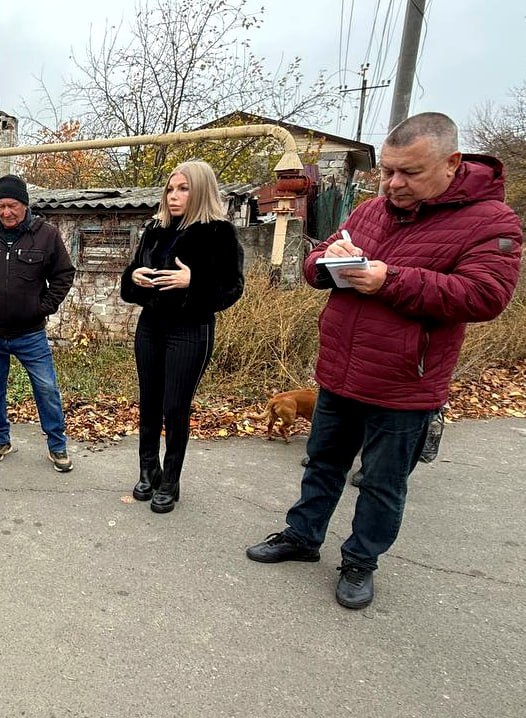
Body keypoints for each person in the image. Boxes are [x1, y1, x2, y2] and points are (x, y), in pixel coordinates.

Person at [244, 112, 521, 610]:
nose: (392, 183)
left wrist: (389, 279)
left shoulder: (491, 221)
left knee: (381, 483)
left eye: (408, 173)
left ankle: (359, 562)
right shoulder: (370, 211)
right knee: (322, 464)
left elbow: (487, 295)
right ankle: (302, 537)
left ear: (451, 163)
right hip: (340, 372)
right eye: (387, 170)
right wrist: (330, 262)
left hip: (404, 386)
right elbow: (313, 264)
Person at [119, 160, 244, 513]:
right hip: (152, 325)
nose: (174, 196)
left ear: (201, 190)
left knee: (175, 407)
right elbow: (130, 281)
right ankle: (148, 470)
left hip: (191, 329)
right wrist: (136, 278)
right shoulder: (155, 229)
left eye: (183, 189)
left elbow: (232, 288)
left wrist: (195, 283)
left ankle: (171, 480)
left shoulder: (219, 232)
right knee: (149, 402)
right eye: (171, 189)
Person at [0, 174, 77, 472]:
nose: (6, 212)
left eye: (12, 205)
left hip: (30, 334)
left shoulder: (47, 235)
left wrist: (45, 306)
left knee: (47, 389)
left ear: (25, 205)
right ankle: (1, 439)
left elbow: (64, 274)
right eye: (0, 205)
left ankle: (57, 445)